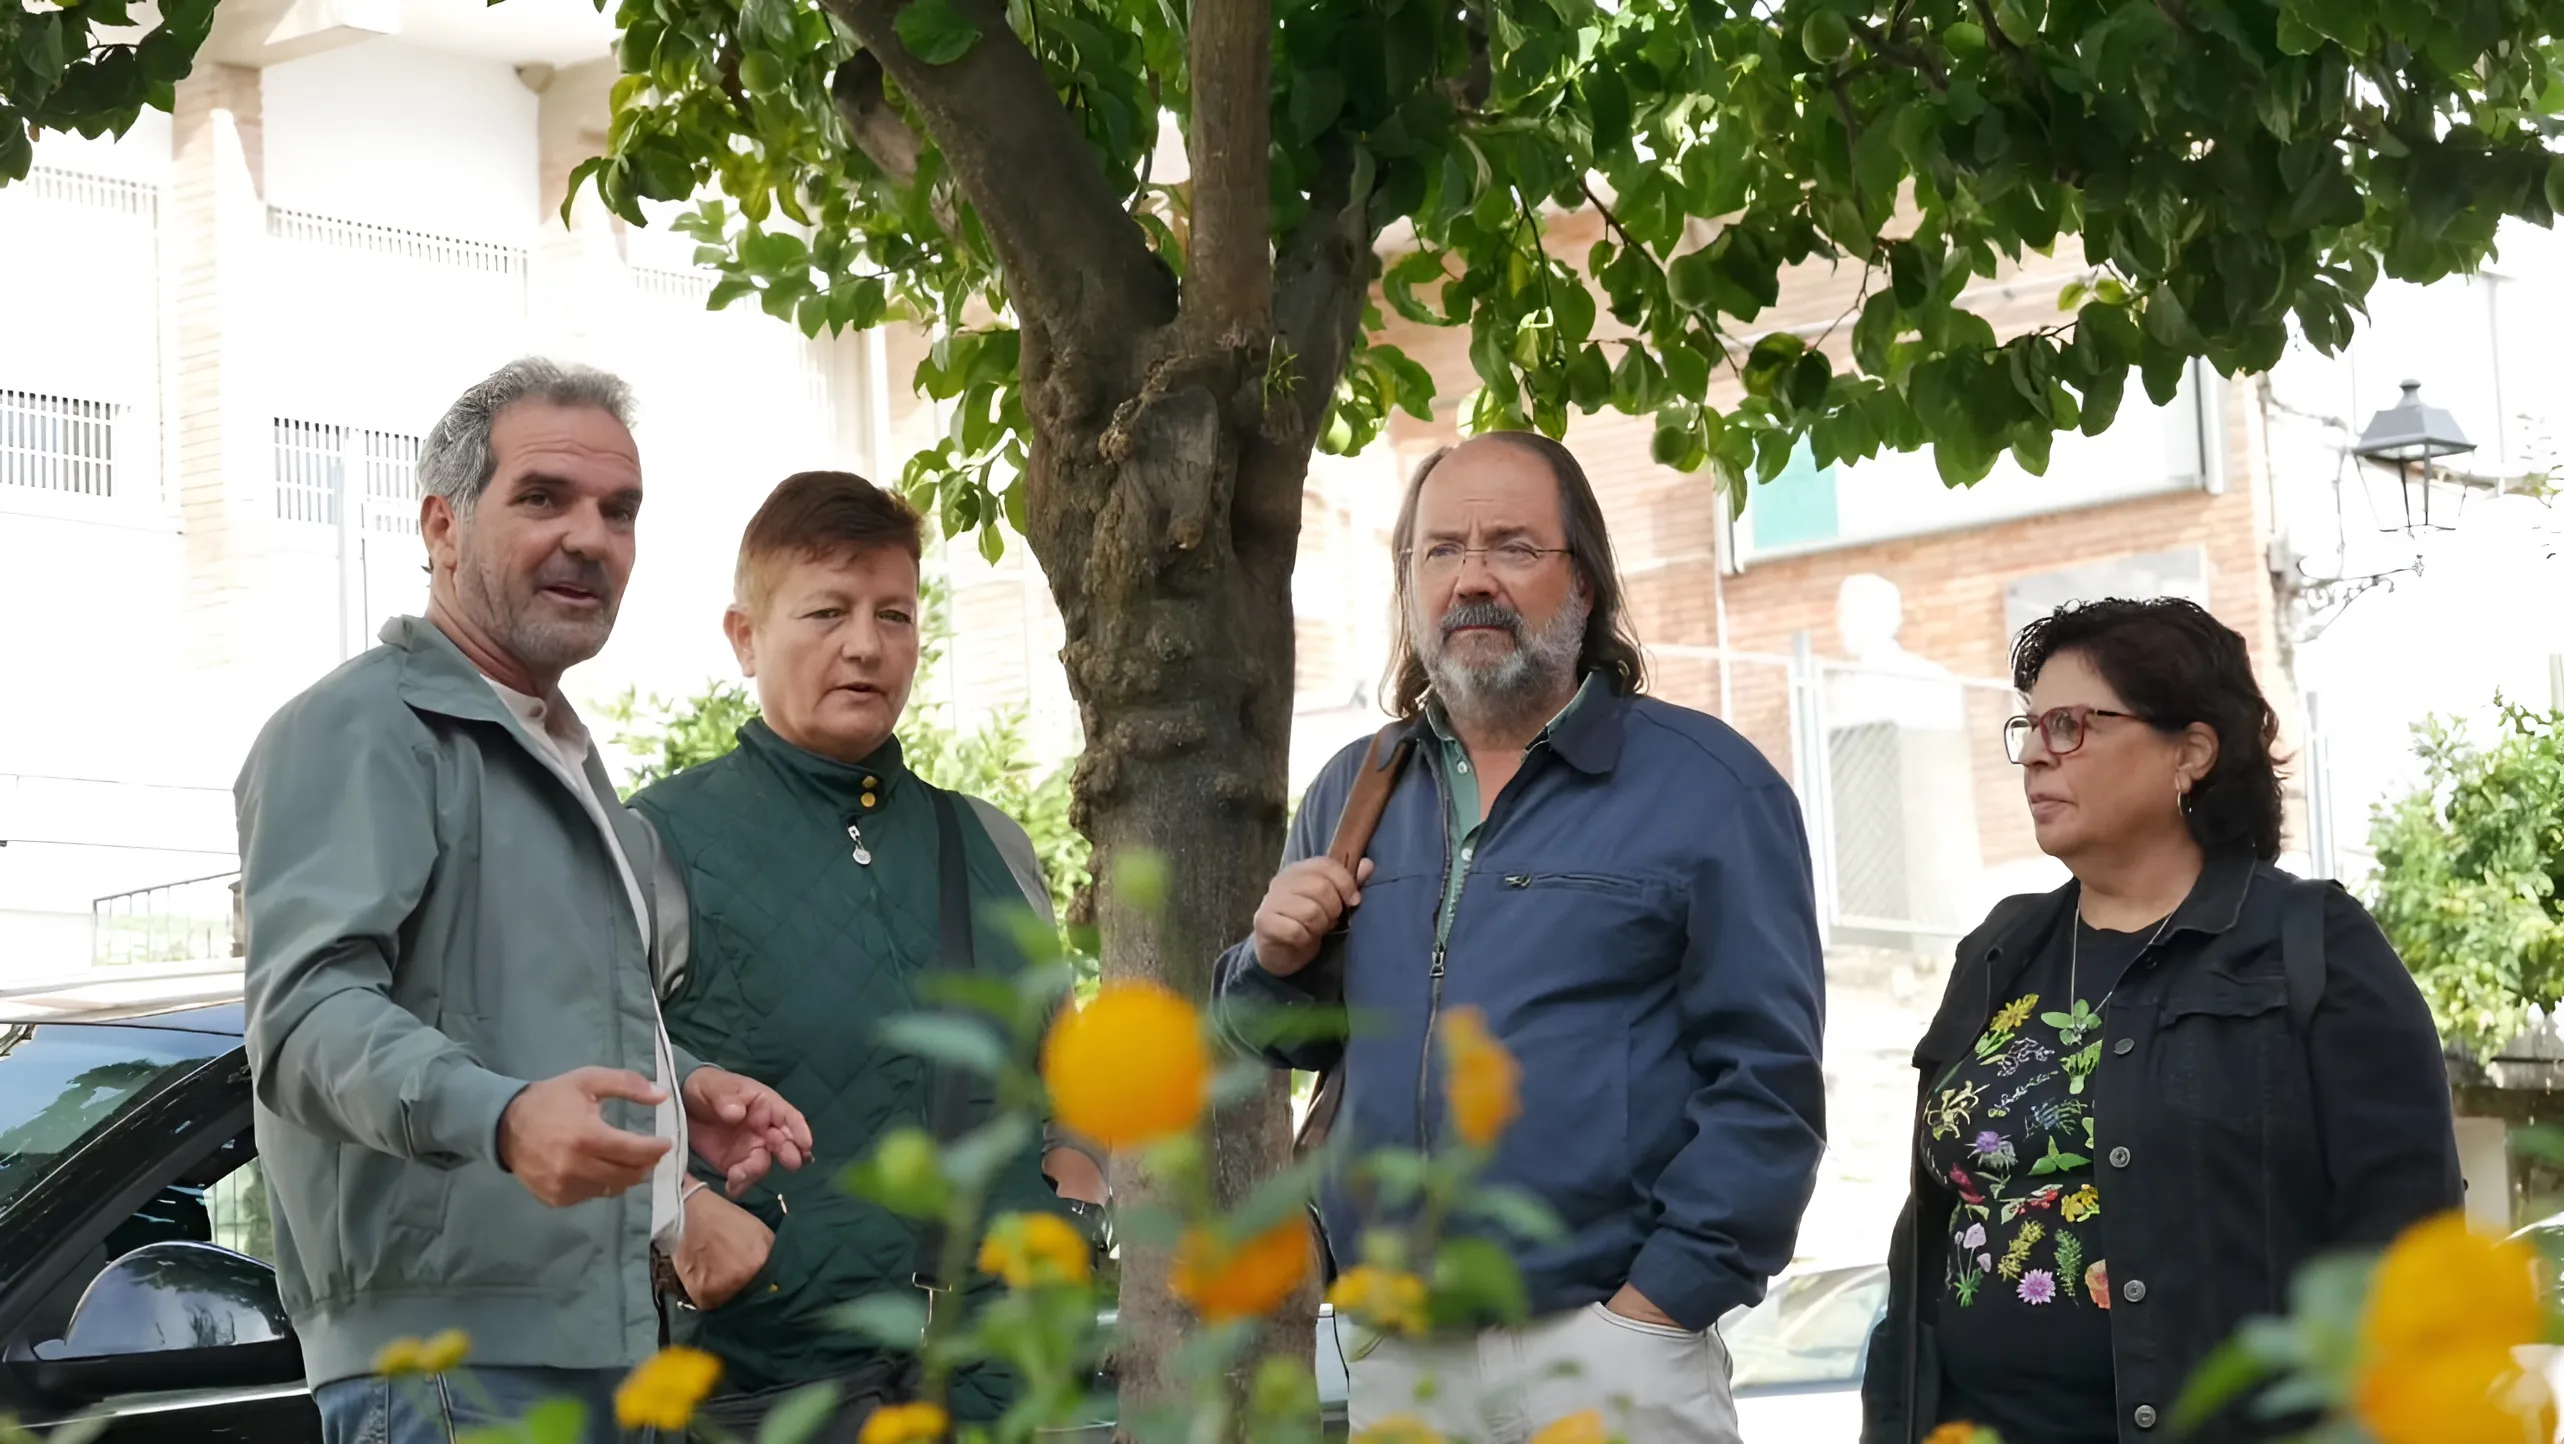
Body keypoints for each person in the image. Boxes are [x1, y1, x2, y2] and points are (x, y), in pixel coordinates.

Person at [237, 359, 814, 1444]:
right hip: (450, 1374)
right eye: (543, 497)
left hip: (611, 1347)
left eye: (619, 510)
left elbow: (514, 1020)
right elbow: (305, 1021)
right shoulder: (363, 727)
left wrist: (671, 1093)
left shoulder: (563, 756)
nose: (591, 536)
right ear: (442, 525)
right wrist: (501, 1120)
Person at [1212, 432, 1828, 1443]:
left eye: (1511, 546)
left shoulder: (1708, 786)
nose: (1472, 579)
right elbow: (1275, 1038)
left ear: (1582, 578)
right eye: (1439, 550)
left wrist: (1659, 1305)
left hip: (1607, 1347)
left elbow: (1767, 1077)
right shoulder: (1356, 788)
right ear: (1407, 582)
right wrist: (1268, 961)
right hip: (1399, 1351)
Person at [1858, 598, 2463, 1444]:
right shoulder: (2001, 949)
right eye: (2028, 727)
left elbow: (2406, 1242)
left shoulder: (2309, 944)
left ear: (2191, 751)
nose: (2034, 753)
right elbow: (1923, 1239)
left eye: (2070, 726)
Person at [630, 470, 1106, 1441]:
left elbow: (1066, 1060)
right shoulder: (655, 842)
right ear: (743, 636)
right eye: (826, 611)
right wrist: (680, 1208)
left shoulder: (985, 840)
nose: (865, 644)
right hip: (778, 1385)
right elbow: (596, 1065)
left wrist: (1077, 1185)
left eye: (894, 613)